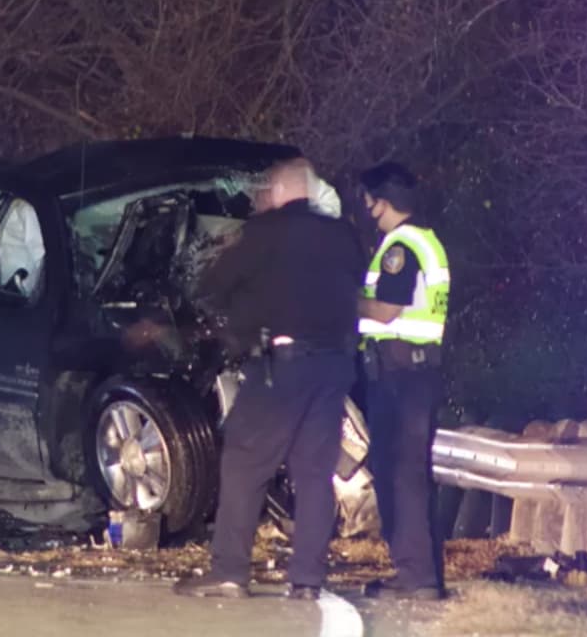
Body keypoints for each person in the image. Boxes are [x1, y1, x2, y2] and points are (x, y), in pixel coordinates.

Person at [173, 157, 364, 600]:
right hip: (334, 366)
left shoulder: (266, 232)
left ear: (279, 193)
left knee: (243, 462)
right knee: (315, 474)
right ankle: (308, 581)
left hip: (284, 366)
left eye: (265, 190)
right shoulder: (340, 233)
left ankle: (229, 572)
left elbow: (214, 285)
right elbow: (354, 286)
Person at [356, 161, 450, 601]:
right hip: (414, 372)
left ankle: (415, 577)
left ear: (383, 201)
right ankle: (417, 573)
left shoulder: (400, 247)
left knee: (401, 476)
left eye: (369, 199)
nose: (366, 208)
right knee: (407, 473)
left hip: (400, 376)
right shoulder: (424, 241)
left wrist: (342, 300)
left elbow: (386, 311)